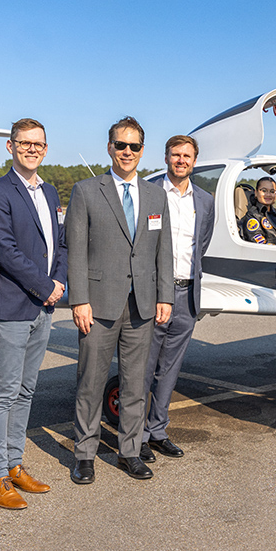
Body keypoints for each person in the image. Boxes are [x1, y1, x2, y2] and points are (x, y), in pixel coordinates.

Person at [66, 116, 174, 483]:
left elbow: (165, 251)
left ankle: (129, 451)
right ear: (110, 148)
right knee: (91, 382)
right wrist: (79, 300)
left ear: (143, 151)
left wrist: (166, 296)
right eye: (121, 145)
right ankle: (85, 453)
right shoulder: (85, 191)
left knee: (134, 383)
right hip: (98, 304)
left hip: (142, 304)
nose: (128, 152)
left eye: (135, 147)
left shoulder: (157, 194)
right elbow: (76, 252)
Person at [0, 118, 66, 509]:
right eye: (25, 143)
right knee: (3, 391)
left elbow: (59, 245)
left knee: (27, 390)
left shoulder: (48, 191)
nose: (32, 149)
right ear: (10, 146)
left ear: (45, 149)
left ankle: (15, 465)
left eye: (39, 144)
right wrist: (45, 286)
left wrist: (59, 281)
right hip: (13, 306)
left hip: (43, 306)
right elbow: (4, 248)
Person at [137, 135, 214, 462]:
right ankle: (136, 435)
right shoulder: (150, 193)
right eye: (175, 155)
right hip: (156, 294)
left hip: (187, 294)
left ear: (194, 161)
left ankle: (158, 430)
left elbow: (202, 243)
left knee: (169, 369)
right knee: (143, 368)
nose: (181, 160)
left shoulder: (205, 200)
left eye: (187, 155)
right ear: (166, 157)